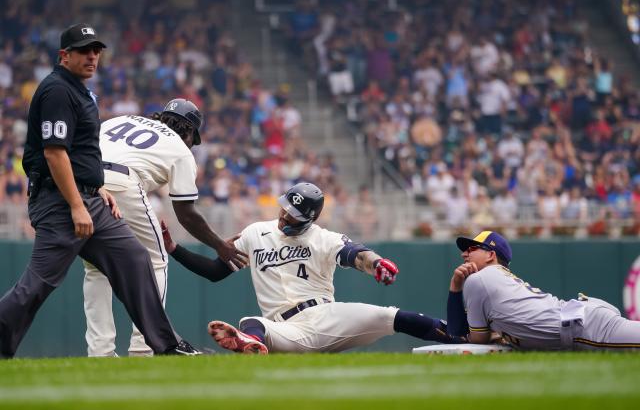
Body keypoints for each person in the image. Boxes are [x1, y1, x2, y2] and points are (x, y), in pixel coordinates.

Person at [0, 23, 197, 358]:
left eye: (96, 50)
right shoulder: (57, 90)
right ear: (65, 55)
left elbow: (81, 153)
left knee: (135, 259)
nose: (92, 56)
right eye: (83, 50)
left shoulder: (79, 91)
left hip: (89, 196)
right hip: (60, 201)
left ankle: (165, 346)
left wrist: (97, 185)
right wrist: (77, 203)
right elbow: (55, 152)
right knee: (39, 283)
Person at [162, 182, 465, 354]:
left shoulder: (322, 237)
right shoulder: (256, 232)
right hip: (285, 329)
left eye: (293, 214)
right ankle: (250, 344)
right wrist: (174, 249)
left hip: (327, 316)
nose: (284, 216)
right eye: (284, 208)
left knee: (390, 316)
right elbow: (215, 272)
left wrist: (376, 264)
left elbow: (355, 254)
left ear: (309, 218)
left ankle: (460, 339)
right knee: (252, 322)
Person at [83, 98, 249, 357]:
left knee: (96, 268)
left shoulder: (119, 120)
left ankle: (99, 352)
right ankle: (143, 346)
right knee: (154, 261)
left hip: (86, 183)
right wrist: (220, 245)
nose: (192, 145)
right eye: (193, 138)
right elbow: (186, 215)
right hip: (123, 183)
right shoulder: (179, 149)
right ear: (190, 131)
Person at [446, 230, 640, 350]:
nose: (464, 254)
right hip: (580, 319)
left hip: (584, 328)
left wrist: (456, 285)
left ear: (490, 254)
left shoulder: (479, 280)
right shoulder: (497, 281)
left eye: (471, 249)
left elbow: (472, 337)